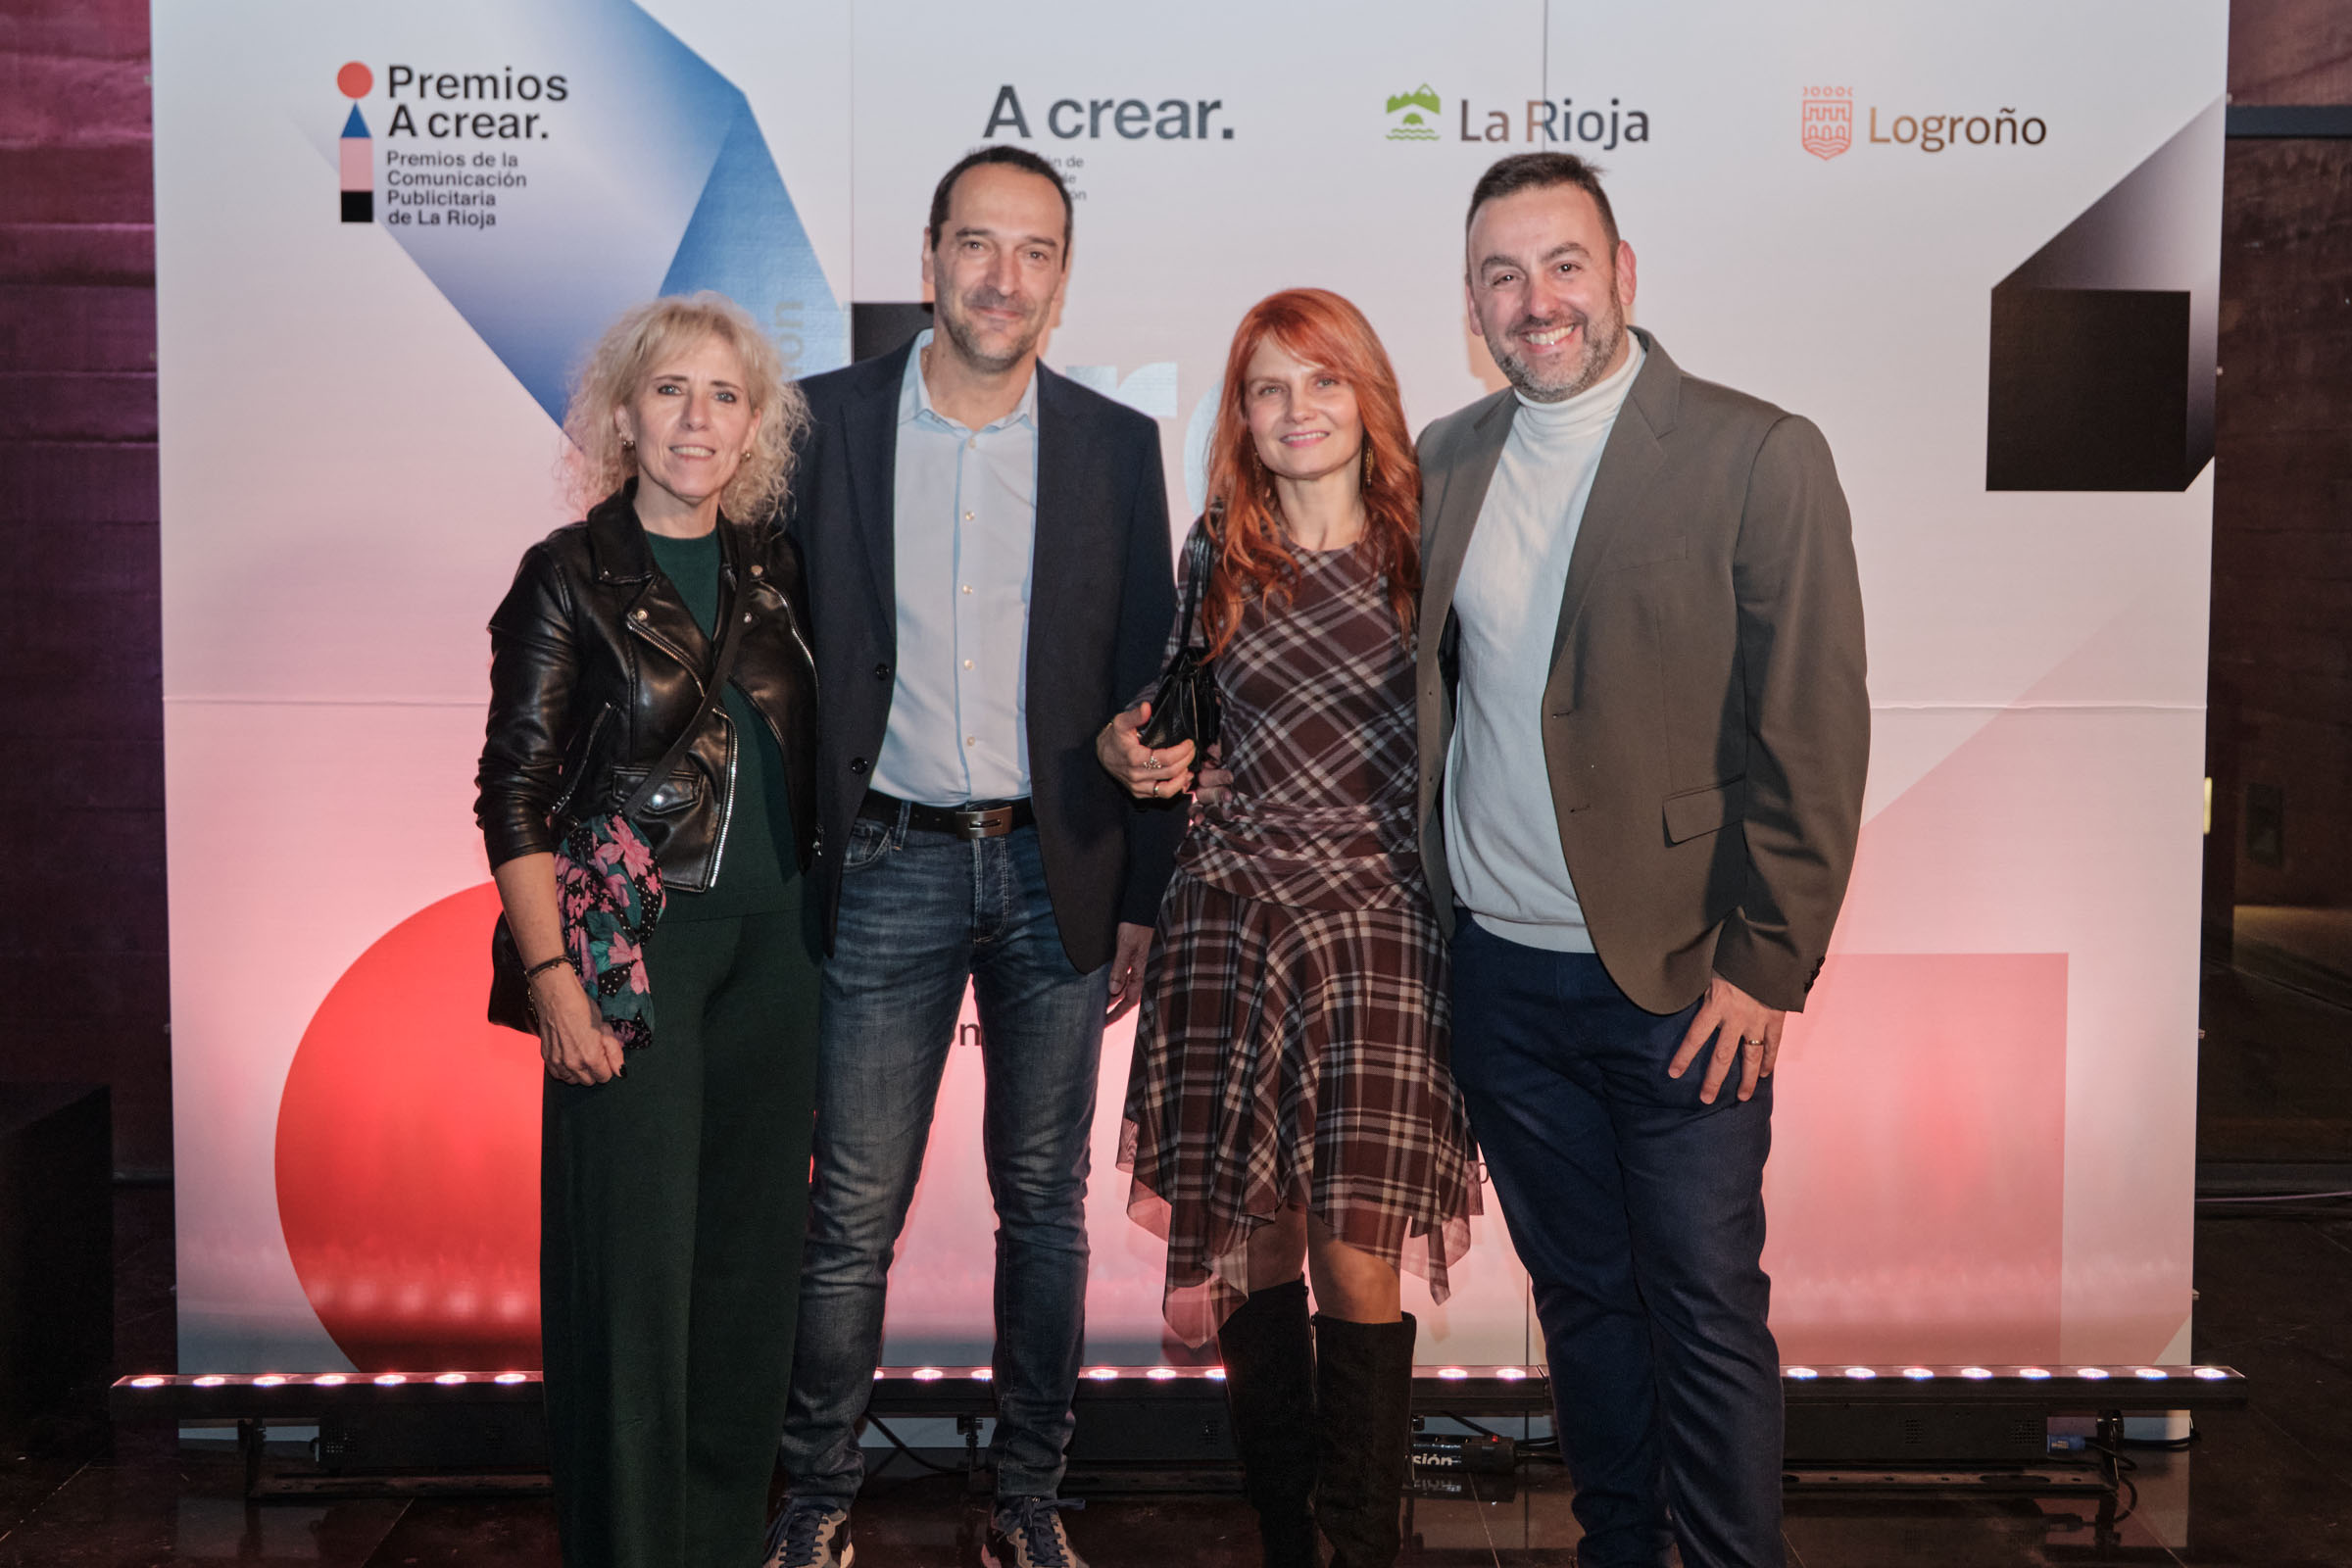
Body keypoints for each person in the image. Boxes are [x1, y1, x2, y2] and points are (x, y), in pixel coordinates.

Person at [1414, 151, 1870, 1568]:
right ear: (1472, 304)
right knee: (1583, 1305)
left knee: (1705, 1305)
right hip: (1501, 983)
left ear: (1621, 273)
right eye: (1502, 275)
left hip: (1684, 982)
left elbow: (1813, 726)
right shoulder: (1444, 461)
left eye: (1563, 264)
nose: (1535, 300)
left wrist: (1767, 965)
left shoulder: (1757, 452)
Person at [765, 145, 1180, 1568]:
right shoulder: (819, 427)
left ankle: (1027, 1501)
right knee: (850, 1214)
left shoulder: (1115, 446)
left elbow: (1149, 680)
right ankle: (816, 1500)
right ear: (932, 255)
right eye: (979, 245)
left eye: (1036, 252)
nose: (1005, 278)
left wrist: (1142, 892)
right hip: (884, 864)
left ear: (1062, 278)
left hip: (1058, 873)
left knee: (1045, 1211)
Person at [1099, 289, 1479, 1568]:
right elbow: (1170, 721)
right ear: (1242, 415)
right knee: (1253, 1252)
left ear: (1367, 397)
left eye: (1322, 381)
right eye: (1269, 388)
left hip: (1381, 934)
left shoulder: (1429, 549)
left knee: (1357, 1258)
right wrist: (1126, 751)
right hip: (1231, 929)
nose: (1297, 409)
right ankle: (1285, 1539)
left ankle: (1360, 1547)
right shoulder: (1219, 549)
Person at [474, 291, 822, 1568]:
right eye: (671, 390)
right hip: (633, 962)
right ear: (624, 415)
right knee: (630, 1291)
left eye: (725, 396)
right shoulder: (567, 574)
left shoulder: (780, 570)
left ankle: (720, 1543)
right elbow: (512, 790)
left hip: (781, 958)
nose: (697, 418)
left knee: (744, 1285)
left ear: (755, 427)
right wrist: (553, 977)